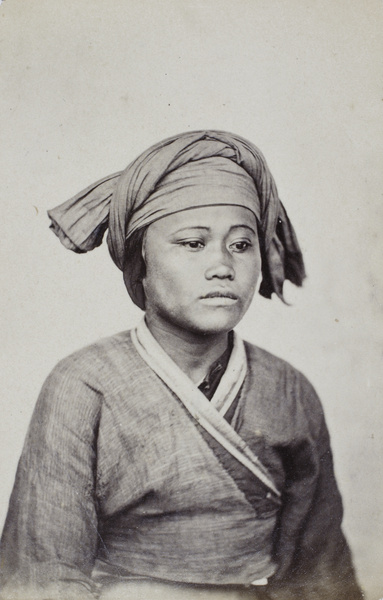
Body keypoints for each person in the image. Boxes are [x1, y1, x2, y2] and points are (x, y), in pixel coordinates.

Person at [0, 131, 363, 600]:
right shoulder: (83, 385)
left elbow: (319, 572)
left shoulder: (289, 390)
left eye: (240, 245)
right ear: (142, 260)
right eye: (193, 244)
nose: (222, 266)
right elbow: (42, 570)